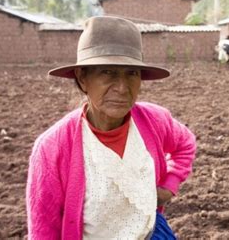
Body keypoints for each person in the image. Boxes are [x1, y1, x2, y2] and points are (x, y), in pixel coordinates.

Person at [26, 16, 196, 239]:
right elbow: (43, 231)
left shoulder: (153, 120)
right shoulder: (51, 148)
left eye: (132, 73)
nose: (122, 87)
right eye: (108, 72)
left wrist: (168, 186)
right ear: (83, 78)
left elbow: (186, 143)